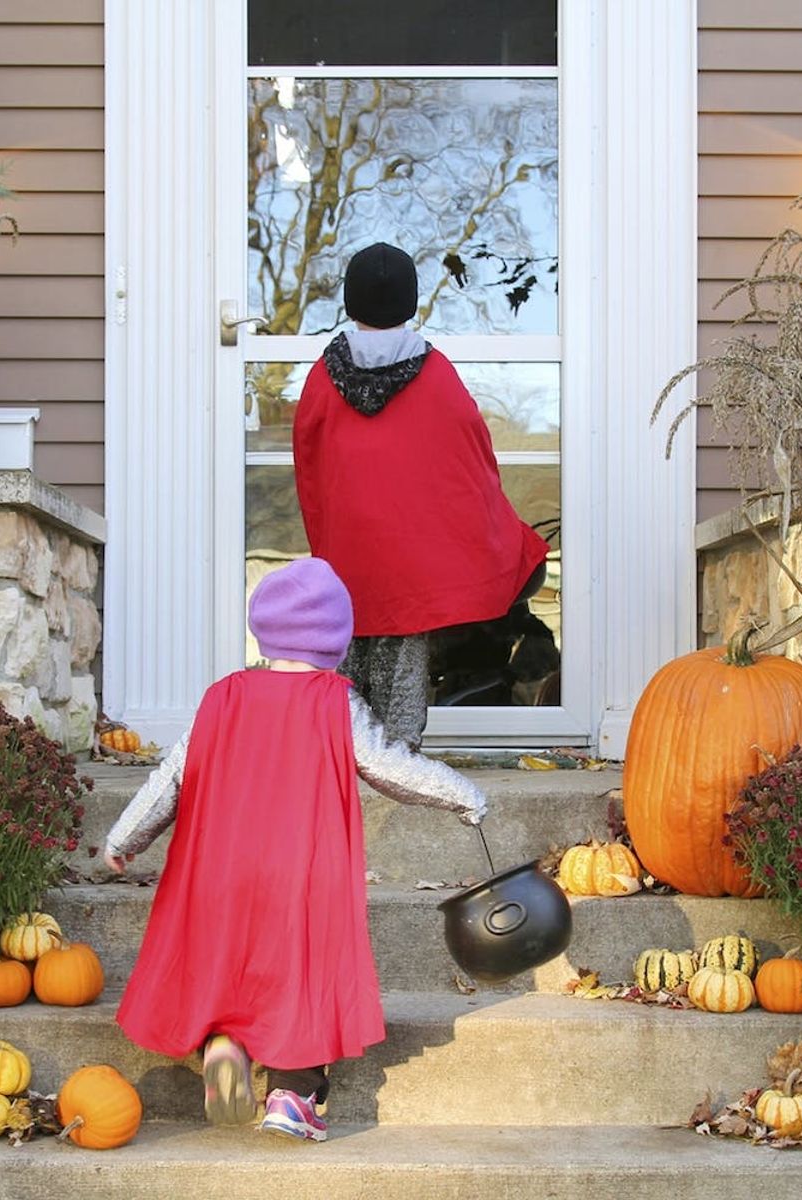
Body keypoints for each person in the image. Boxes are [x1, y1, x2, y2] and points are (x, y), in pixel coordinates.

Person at [102, 557, 486, 1143]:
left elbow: (171, 778)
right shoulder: (335, 701)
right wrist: (463, 795)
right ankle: (292, 1096)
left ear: (263, 630)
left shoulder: (222, 696)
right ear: (337, 639)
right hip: (301, 876)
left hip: (220, 873)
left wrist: (124, 837)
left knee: (228, 962)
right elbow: (391, 768)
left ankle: (226, 1044)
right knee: (298, 980)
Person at [293, 241, 550, 749]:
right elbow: (472, 459)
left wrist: (327, 536)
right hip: (411, 559)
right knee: (404, 656)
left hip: (351, 548)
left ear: (350, 302)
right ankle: (399, 755)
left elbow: (309, 460)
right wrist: (495, 531)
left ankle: (345, 752)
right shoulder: (434, 374)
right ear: (409, 303)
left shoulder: (324, 376)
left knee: (346, 649)